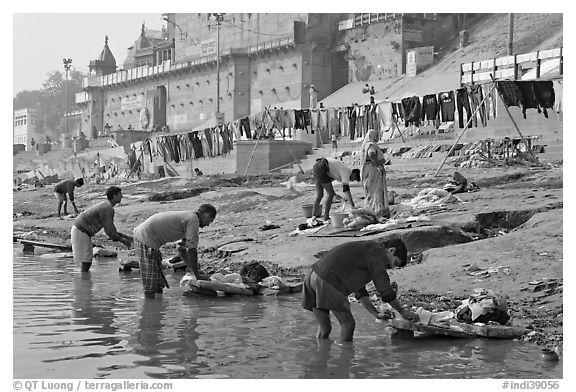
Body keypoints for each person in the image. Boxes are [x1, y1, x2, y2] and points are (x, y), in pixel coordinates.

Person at [302, 238, 419, 341]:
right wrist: (402, 312)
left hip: (312, 277)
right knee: (348, 325)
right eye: (394, 262)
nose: (391, 267)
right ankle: (346, 362)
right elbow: (385, 290)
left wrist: (376, 313)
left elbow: (360, 292)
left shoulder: (366, 252)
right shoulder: (377, 252)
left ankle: (320, 357)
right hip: (328, 280)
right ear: (391, 251)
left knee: (325, 328)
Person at [133, 204, 217, 299]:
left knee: (157, 282)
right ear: (206, 216)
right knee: (150, 284)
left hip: (147, 237)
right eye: (210, 221)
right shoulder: (193, 220)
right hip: (146, 238)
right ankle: (151, 308)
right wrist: (197, 275)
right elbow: (191, 250)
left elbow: (181, 249)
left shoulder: (189, 218)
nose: (208, 225)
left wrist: (192, 269)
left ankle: (156, 305)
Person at [71, 186, 133, 272]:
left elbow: (110, 229)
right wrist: (122, 240)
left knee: (87, 259)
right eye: (120, 194)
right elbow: (109, 231)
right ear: (114, 196)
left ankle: (84, 278)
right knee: (86, 260)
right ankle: (84, 278)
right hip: (81, 230)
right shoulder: (107, 208)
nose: (122, 196)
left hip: (81, 230)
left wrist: (125, 237)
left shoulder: (106, 206)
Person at [360, 129, 390, 218]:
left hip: (369, 170)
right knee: (375, 191)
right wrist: (377, 164)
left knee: (373, 191)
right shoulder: (370, 144)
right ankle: (376, 212)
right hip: (372, 171)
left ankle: (375, 211)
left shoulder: (367, 144)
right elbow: (372, 154)